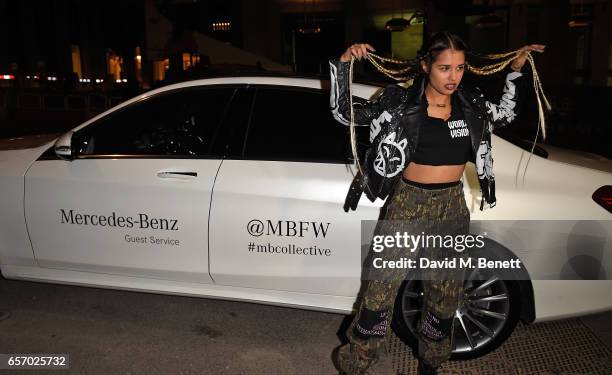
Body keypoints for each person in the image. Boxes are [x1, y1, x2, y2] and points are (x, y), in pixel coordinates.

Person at [329, 31, 545, 374]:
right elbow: (345, 113)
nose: (453, 77)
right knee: (379, 292)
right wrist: (343, 65)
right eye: (445, 68)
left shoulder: (470, 102)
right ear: (426, 65)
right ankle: (357, 362)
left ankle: (431, 364)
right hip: (408, 203)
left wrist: (515, 71)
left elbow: (504, 114)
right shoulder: (400, 101)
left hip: (451, 205)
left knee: (445, 295)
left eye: (460, 68)